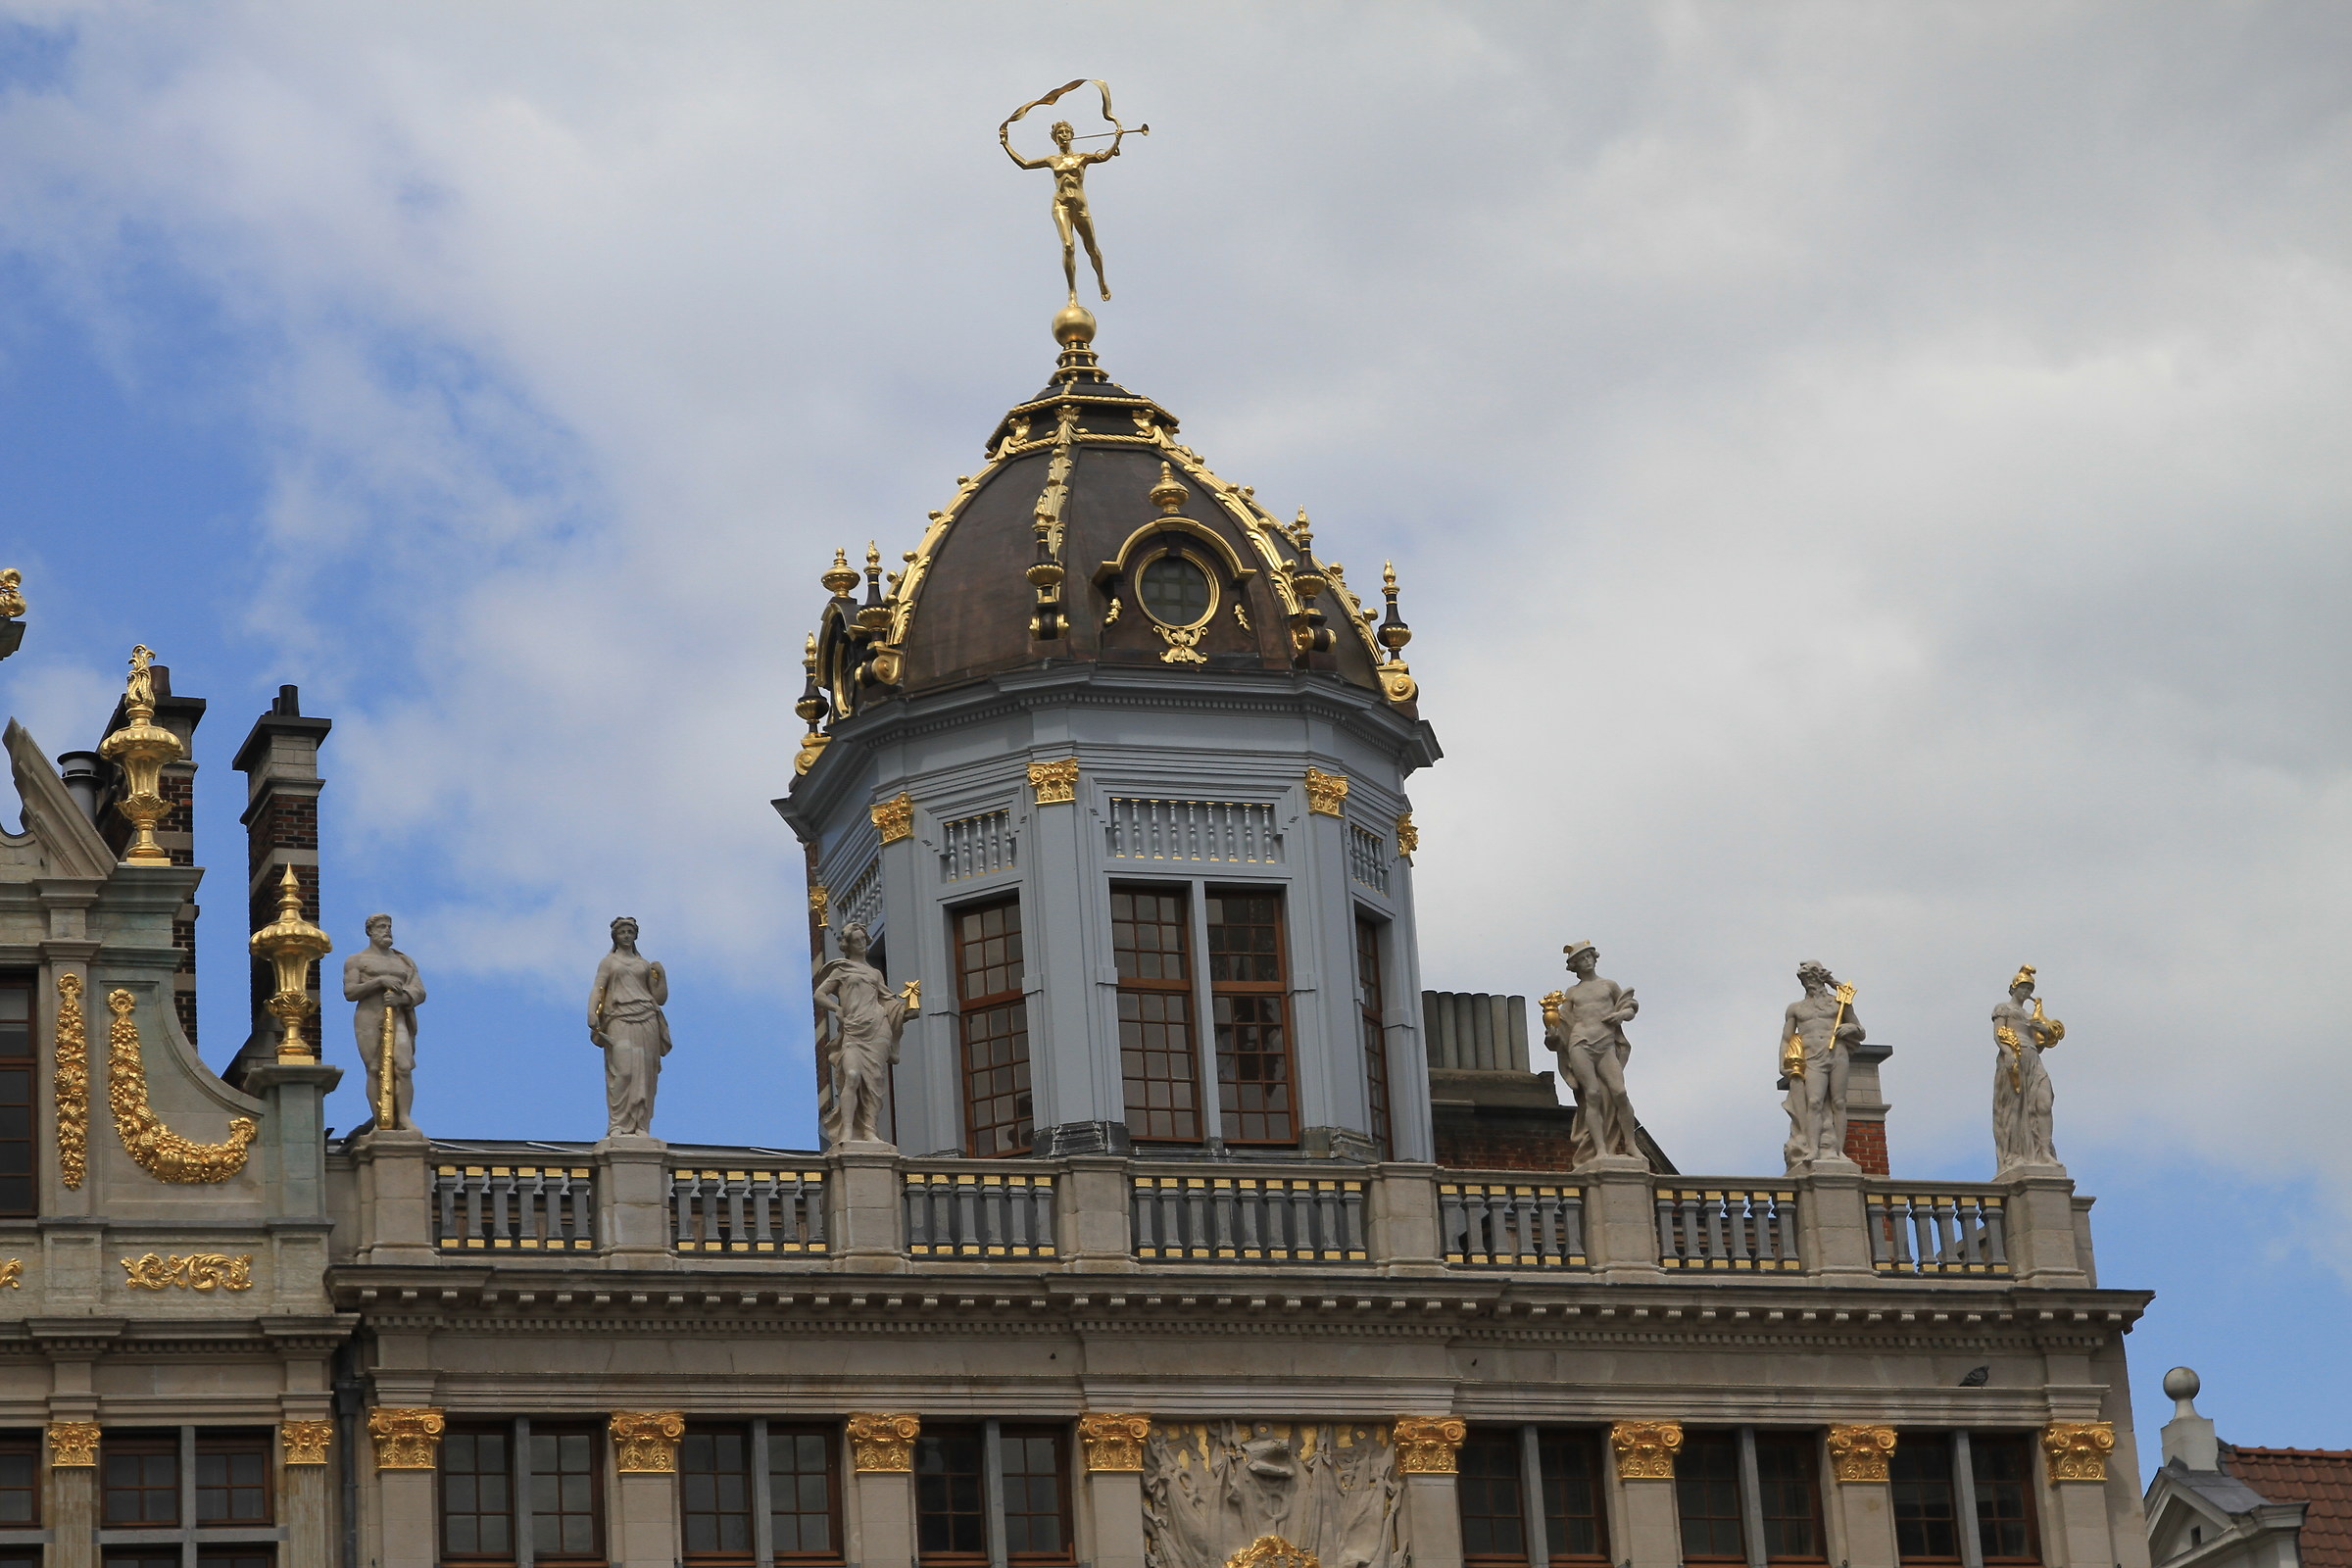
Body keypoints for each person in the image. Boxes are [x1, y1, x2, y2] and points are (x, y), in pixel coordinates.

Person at [1000, 116, 1130, 303]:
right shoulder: (1052, 160)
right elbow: (1025, 164)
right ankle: (1072, 292)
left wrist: (1117, 138)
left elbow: (1104, 156)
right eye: (1059, 132)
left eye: (1066, 132)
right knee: (1068, 246)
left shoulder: (1081, 157)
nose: (1063, 135)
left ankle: (1101, 281)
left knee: (1091, 248)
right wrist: (1006, 143)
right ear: (1055, 137)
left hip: (1080, 206)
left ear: (1072, 135)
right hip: (1060, 205)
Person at [1540, 941, 1642, 1164]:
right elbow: (1562, 1022)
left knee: (1619, 1092)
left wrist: (1621, 1016)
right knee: (1592, 1095)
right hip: (1580, 1043)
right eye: (1581, 959)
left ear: (1595, 958)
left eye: (1589, 957)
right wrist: (1553, 1035)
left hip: (1605, 1044)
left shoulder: (1608, 985)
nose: (1586, 962)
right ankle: (1600, 1150)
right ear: (1574, 966)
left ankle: (1631, 1144)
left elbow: (1631, 1006)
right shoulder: (1572, 993)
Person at [813, 921, 914, 1147]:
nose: (861, 944)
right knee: (851, 1075)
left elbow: (888, 1001)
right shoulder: (841, 969)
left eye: (863, 940)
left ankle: (869, 1130)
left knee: (875, 1080)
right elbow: (820, 994)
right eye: (856, 941)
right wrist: (837, 1009)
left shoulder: (875, 973)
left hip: (877, 1028)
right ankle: (847, 1129)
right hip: (853, 1029)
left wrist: (905, 1011)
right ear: (848, 945)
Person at [588, 917, 669, 1139]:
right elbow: (598, 987)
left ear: (635, 935)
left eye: (630, 932)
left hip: (647, 1018)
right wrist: (592, 1013)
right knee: (623, 1071)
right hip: (619, 1018)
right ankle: (618, 1124)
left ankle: (640, 1125)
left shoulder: (643, 964)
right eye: (622, 932)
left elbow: (659, 998)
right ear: (615, 936)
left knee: (645, 1073)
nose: (626, 935)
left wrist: (661, 976)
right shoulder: (609, 962)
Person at [343, 914, 424, 1133]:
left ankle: (404, 1117)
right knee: (375, 1068)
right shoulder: (356, 960)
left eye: (389, 927)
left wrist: (403, 998)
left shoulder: (403, 961)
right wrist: (379, 982)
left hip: (397, 1015)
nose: (387, 930)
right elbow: (350, 992)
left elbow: (419, 990)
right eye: (381, 927)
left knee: (404, 1066)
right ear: (370, 931)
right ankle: (381, 1118)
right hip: (369, 1016)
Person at [1779, 960, 1863, 1169]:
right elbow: (1786, 1039)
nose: (1808, 984)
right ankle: (1813, 1148)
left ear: (1819, 978)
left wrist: (1849, 1029)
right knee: (1814, 1102)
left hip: (1838, 1054)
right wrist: (1782, 1063)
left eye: (1811, 979)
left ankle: (1839, 1151)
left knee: (1839, 1103)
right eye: (1804, 980)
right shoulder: (1796, 1008)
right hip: (1813, 1057)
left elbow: (1861, 1031)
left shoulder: (1839, 1003)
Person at [1991, 964, 2063, 1172]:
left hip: (2033, 1058)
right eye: (2023, 988)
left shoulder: (2031, 1016)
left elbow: (2040, 1043)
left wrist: (2043, 1031)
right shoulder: (2003, 1008)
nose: (2026, 992)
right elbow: (1999, 1033)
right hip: (2014, 1057)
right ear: (2013, 988)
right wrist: (2009, 1053)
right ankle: (2014, 1155)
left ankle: (2044, 1152)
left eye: (2029, 989)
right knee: (2014, 1107)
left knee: (2044, 1102)